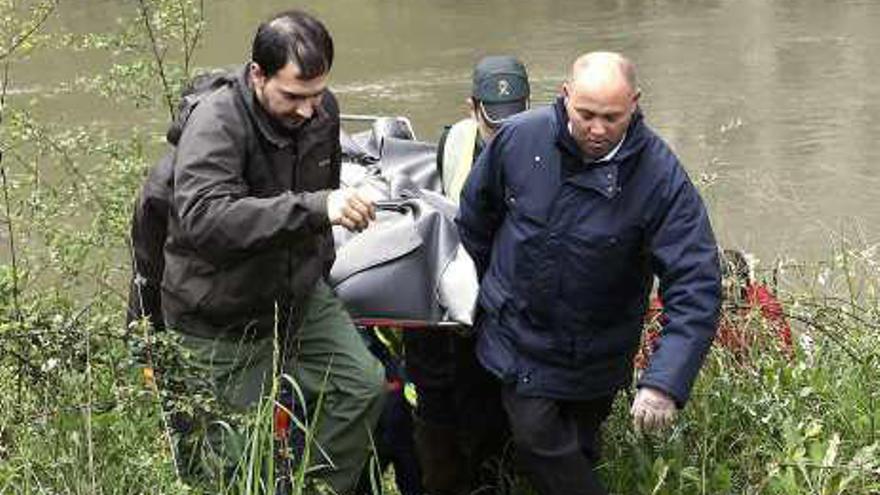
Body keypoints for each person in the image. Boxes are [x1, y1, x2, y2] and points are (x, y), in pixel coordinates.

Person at [456, 51, 722, 495]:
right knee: (537, 435)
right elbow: (475, 221)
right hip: (518, 337)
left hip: (597, 351)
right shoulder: (520, 138)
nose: (597, 129)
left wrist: (663, 383)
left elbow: (695, 283)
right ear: (564, 97)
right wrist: (480, 299)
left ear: (635, 104)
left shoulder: (659, 176)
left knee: (576, 451)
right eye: (586, 114)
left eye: (611, 117)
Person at [155, 10, 386, 493]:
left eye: (318, 92)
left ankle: (311, 488)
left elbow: (318, 203)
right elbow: (205, 220)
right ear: (257, 74)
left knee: (362, 386)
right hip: (219, 313)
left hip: (297, 295)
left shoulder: (323, 112)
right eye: (294, 96)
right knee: (238, 464)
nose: (308, 109)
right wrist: (320, 207)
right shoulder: (216, 123)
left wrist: (319, 253)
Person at [404, 55, 530, 495]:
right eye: (493, 124)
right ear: (472, 109)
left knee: (499, 421)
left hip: (509, 303)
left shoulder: (543, 147)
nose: (503, 135)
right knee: (444, 418)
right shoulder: (453, 143)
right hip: (460, 301)